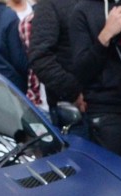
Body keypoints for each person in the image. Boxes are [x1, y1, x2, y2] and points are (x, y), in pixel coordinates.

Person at [70, 0, 121, 159]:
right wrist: (105, 35)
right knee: (112, 173)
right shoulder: (82, 11)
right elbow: (81, 71)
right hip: (106, 114)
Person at [27, 0, 87, 136]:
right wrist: (74, 92)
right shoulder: (49, 5)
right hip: (73, 109)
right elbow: (40, 58)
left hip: (110, 104)